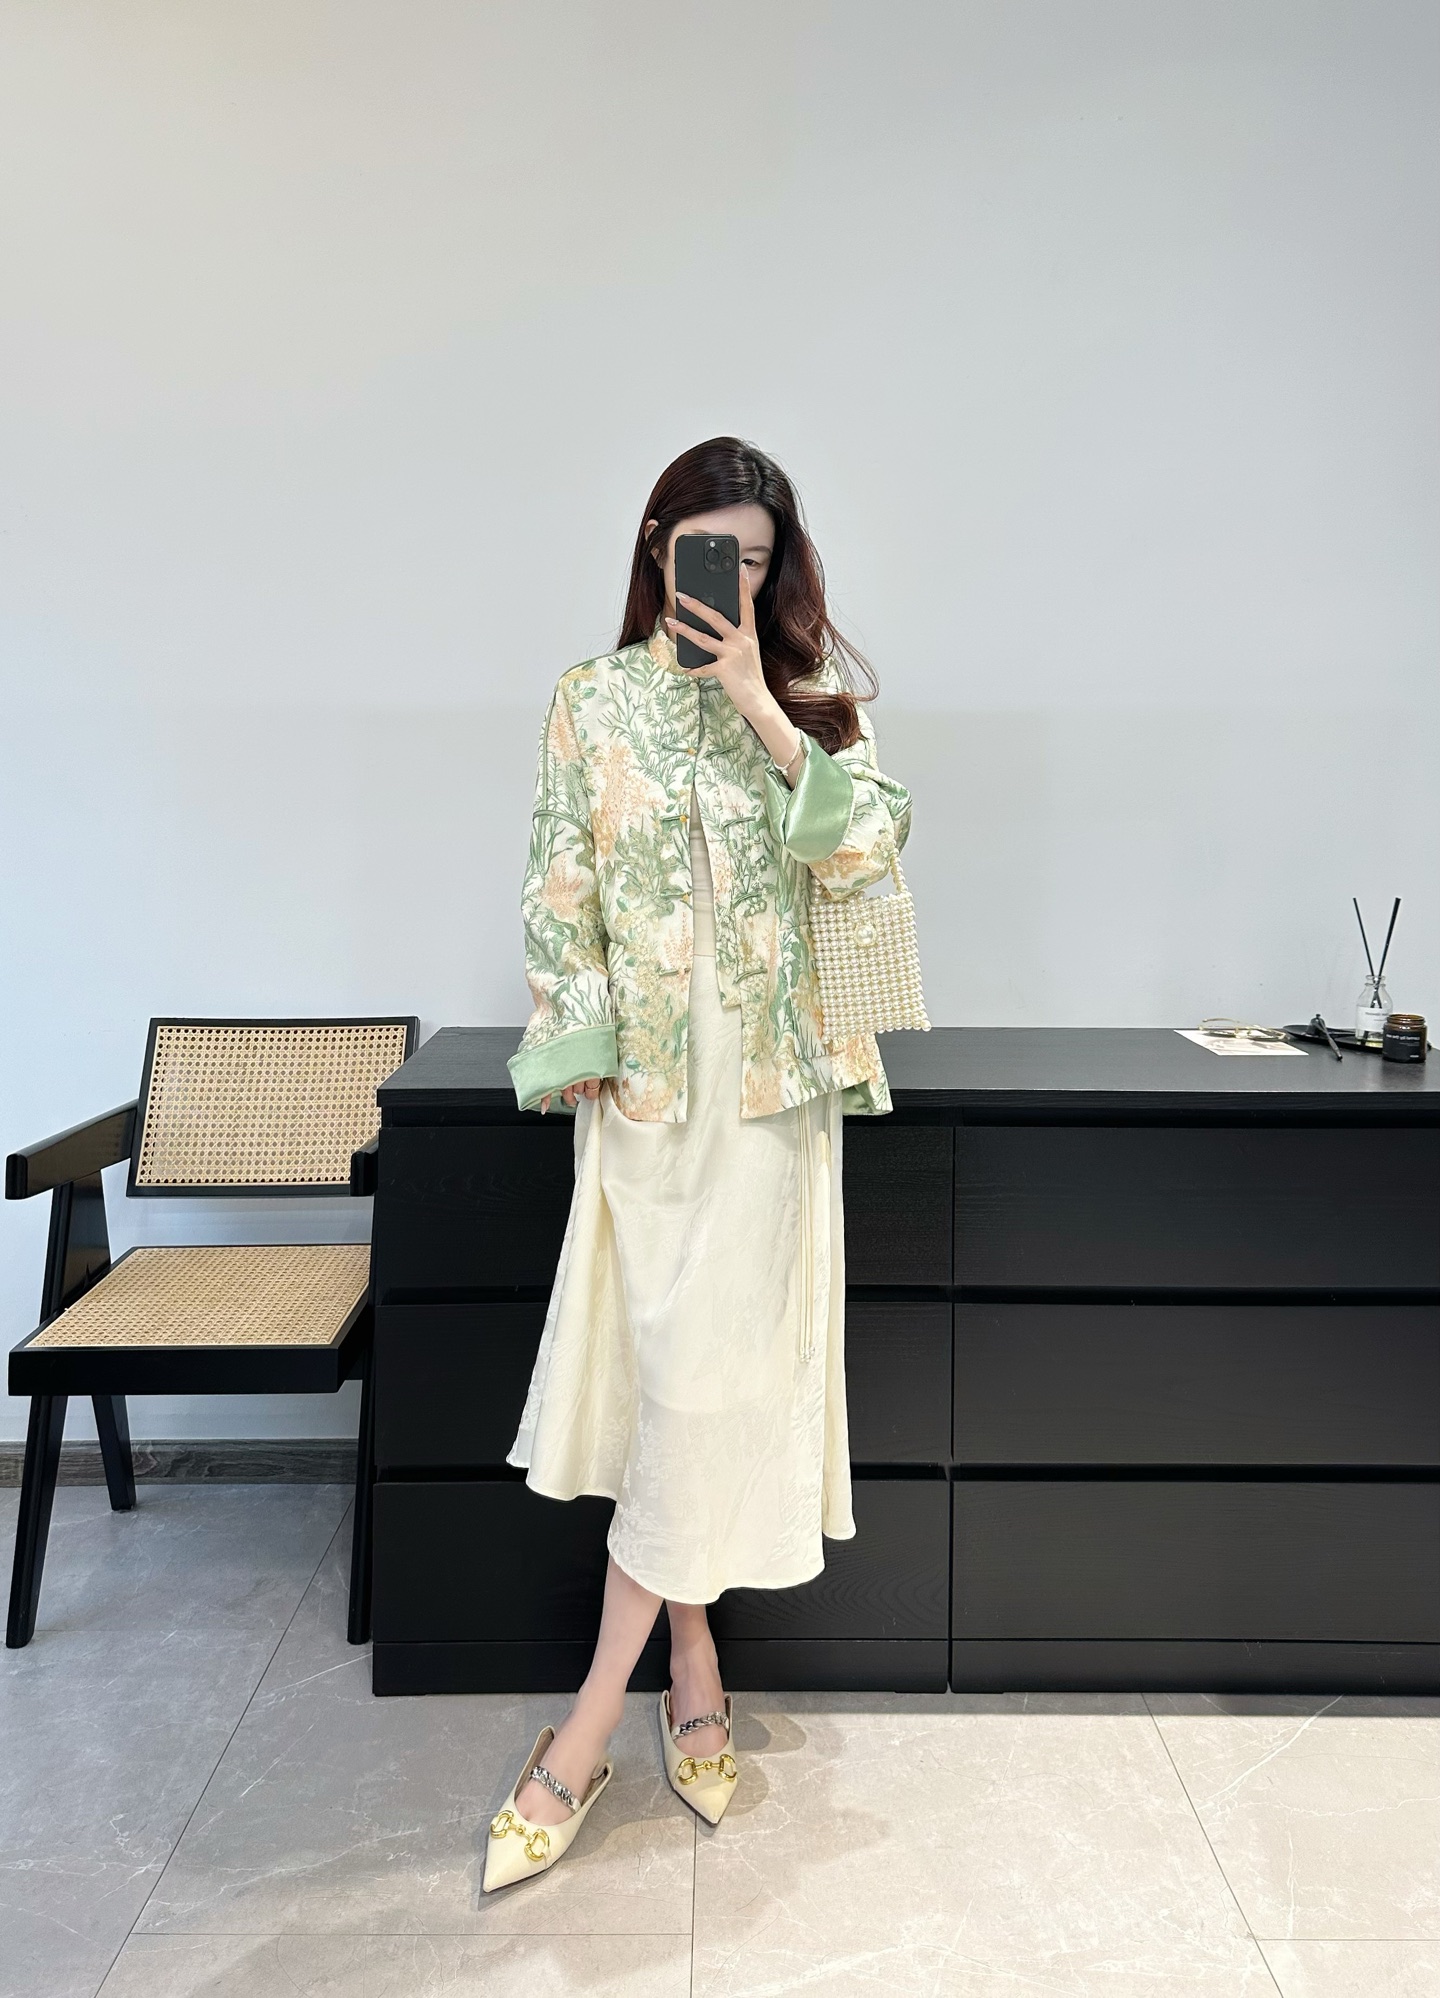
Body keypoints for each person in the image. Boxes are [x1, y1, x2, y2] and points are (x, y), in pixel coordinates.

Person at [484, 436, 914, 1891]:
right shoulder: (589, 700)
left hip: (774, 1100)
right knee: (667, 1390)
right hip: (651, 1105)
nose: (725, 577)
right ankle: (692, 1652)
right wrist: (581, 1037)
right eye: (700, 550)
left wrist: (761, 706)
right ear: (659, 549)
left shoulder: (811, 697)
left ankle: (586, 1724)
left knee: (712, 1390)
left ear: (773, 569)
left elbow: (869, 851)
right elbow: (558, 887)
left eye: (752, 556)